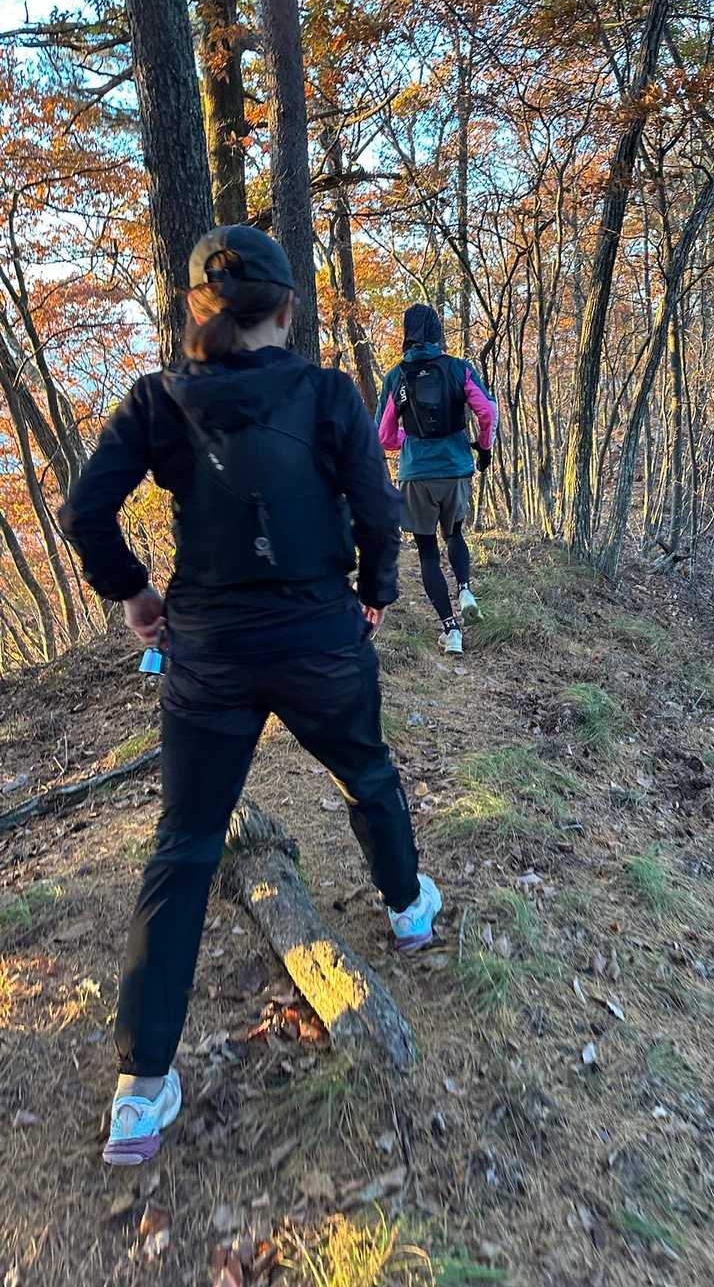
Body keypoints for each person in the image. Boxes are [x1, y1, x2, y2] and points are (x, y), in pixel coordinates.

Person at [60, 225, 441, 1168]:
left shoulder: (158, 399)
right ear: (287, 308)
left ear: (198, 310)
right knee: (365, 771)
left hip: (210, 654)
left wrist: (135, 594)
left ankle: (141, 1090)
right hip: (319, 636)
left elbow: (83, 511)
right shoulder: (327, 393)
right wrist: (375, 592)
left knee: (186, 844)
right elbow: (377, 508)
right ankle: (408, 911)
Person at [376, 304, 497, 654]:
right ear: (437, 332)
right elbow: (487, 411)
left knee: (427, 551)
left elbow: (383, 435)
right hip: (455, 468)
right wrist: (483, 447)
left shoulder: (396, 376)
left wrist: (408, 440)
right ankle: (465, 589)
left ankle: (451, 630)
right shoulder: (459, 368)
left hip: (416, 475)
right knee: (455, 534)